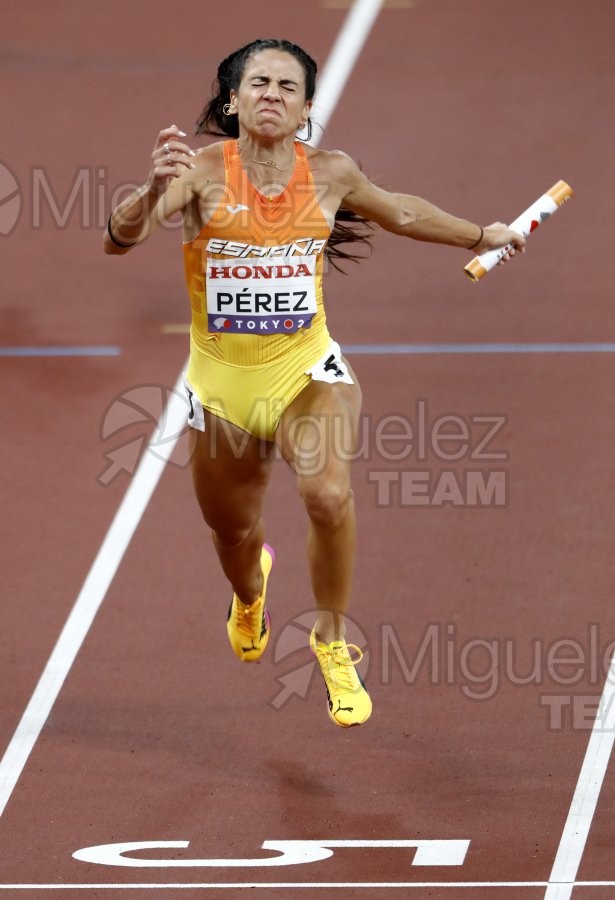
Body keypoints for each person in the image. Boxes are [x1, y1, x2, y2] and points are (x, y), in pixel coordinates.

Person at [104, 38, 525, 728]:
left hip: (305, 371)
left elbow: (401, 211)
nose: (271, 93)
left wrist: (482, 234)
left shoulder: (330, 173)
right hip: (222, 389)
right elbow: (118, 238)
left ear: (305, 110)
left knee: (327, 494)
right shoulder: (199, 173)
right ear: (233, 100)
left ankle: (331, 641)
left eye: (287, 86)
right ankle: (249, 598)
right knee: (233, 534)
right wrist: (152, 190)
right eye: (258, 82)